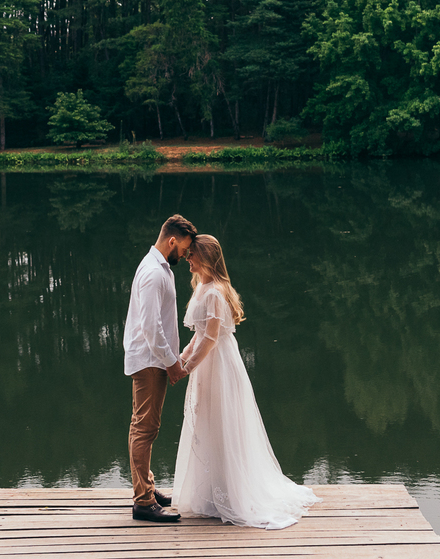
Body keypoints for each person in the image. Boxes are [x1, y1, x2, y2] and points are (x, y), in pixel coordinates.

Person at [173, 234, 320, 529]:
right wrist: (180, 358)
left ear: (205, 257)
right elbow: (198, 335)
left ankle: (231, 495)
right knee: (208, 423)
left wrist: (185, 369)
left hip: (220, 366)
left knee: (223, 424)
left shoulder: (215, 292)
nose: (187, 259)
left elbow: (211, 339)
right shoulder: (201, 287)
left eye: (191, 255)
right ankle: (211, 494)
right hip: (207, 363)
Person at [123, 214, 197, 523]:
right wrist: (172, 364)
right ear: (172, 241)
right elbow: (151, 328)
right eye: (185, 248)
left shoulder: (158, 267)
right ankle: (143, 502)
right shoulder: (154, 273)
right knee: (145, 428)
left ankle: (147, 490)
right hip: (151, 361)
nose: (186, 254)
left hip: (153, 359)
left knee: (144, 426)